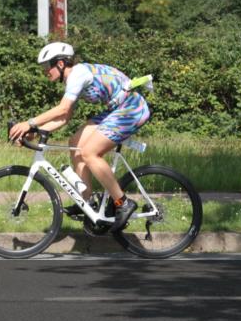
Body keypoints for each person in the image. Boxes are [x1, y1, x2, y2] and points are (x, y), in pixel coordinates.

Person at [8, 42, 151, 231]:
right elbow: (64, 118)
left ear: (60, 64)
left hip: (132, 109)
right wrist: (36, 131)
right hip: (118, 109)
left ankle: (123, 202)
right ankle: (87, 202)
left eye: (46, 66)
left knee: (90, 153)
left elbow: (63, 108)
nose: (45, 71)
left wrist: (30, 122)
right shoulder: (73, 78)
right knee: (75, 142)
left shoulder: (77, 74)